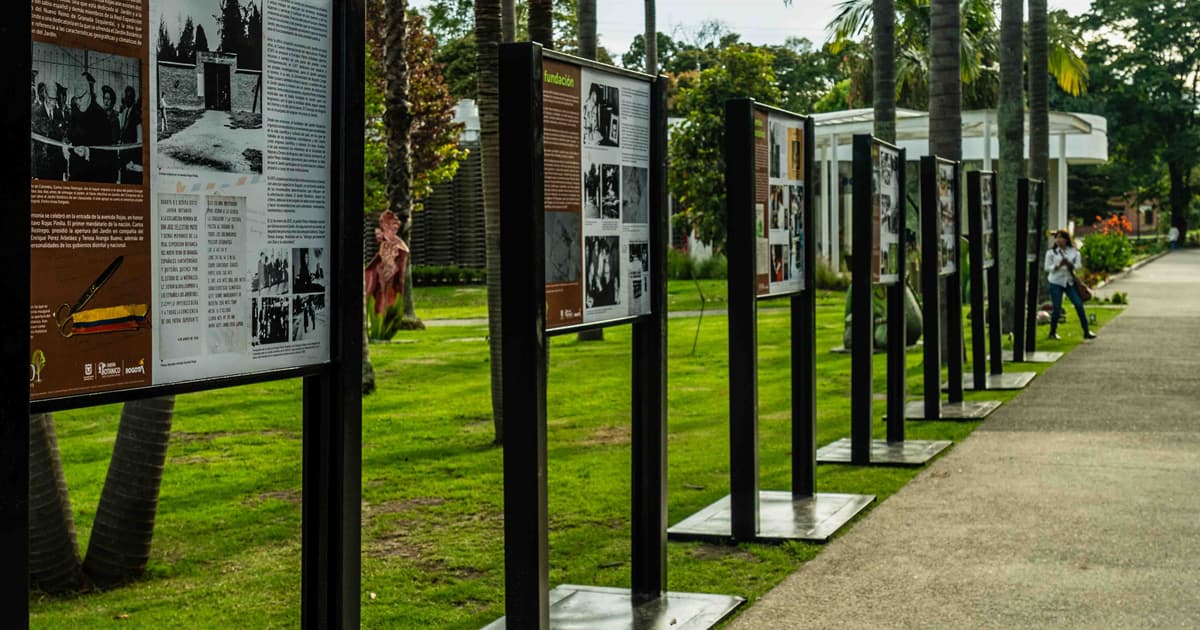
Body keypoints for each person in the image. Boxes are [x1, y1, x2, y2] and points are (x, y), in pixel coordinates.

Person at [1044, 229, 1096, 340]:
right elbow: (1047, 267)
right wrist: (1057, 266)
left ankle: (1086, 331)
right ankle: (1052, 332)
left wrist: (1070, 265)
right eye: (1056, 238)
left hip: (1069, 282)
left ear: (1066, 239)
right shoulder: (1051, 253)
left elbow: (1078, 265)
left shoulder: (1074, 252)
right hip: (1056, 282)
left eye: (1061, 238)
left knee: (1078, 304)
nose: (1058, 240)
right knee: (1057, 307)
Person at [64, 72, 112, 182]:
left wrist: (88, 153)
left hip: (92, 175)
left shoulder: (100, 116)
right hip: (75, 173)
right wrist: (65, 145)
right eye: (76, 98)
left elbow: (107, 152)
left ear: (88, 93)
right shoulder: (75, 111)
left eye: (80, 98)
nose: (78, 102)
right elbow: (70, 135)